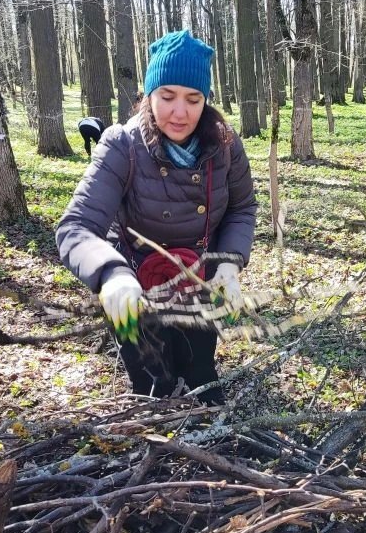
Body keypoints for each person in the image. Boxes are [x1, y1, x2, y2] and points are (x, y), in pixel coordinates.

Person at [56, 30, 257, 405]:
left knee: (200, 376)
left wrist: (229, 263)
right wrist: (112, 275)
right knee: (153, 387)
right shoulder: (122, 144)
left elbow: (241, 208)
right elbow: (76, 226)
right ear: (149, 95)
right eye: (167, 96)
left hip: (199, 283)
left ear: (206, 100)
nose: (180, 112)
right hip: (134, 289)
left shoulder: (226, 146)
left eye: (193, 99)